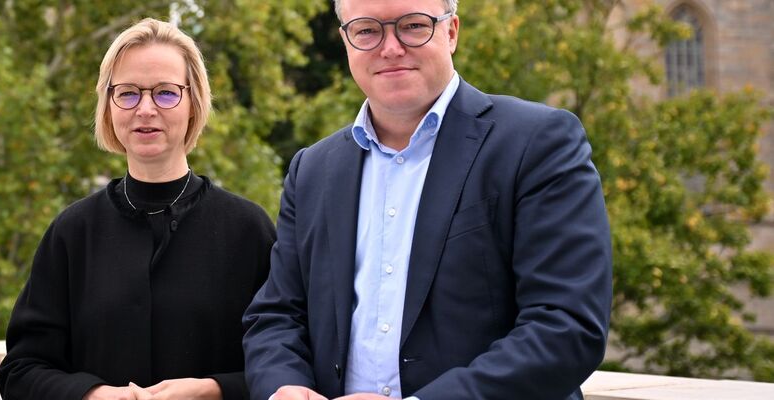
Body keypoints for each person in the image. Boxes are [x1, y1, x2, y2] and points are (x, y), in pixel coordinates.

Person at [241, 0, 613, 399]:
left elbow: (566, 326)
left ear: (451, 32)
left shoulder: (536, 143)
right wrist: (285, 386)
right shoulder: (312, 169)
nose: (390, 47)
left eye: (413, 25)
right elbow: (277, 315)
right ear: (346, 41)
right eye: (367, 30)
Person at [0, 18, 276, 400]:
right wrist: (94, 395)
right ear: (109, 105)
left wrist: (211, 390)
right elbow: (21, 371)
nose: (145, 109)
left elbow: (283, 365)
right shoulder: (73, 232)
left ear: (194, 103)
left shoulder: (248, 230)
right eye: (128, 93)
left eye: (165, 93)